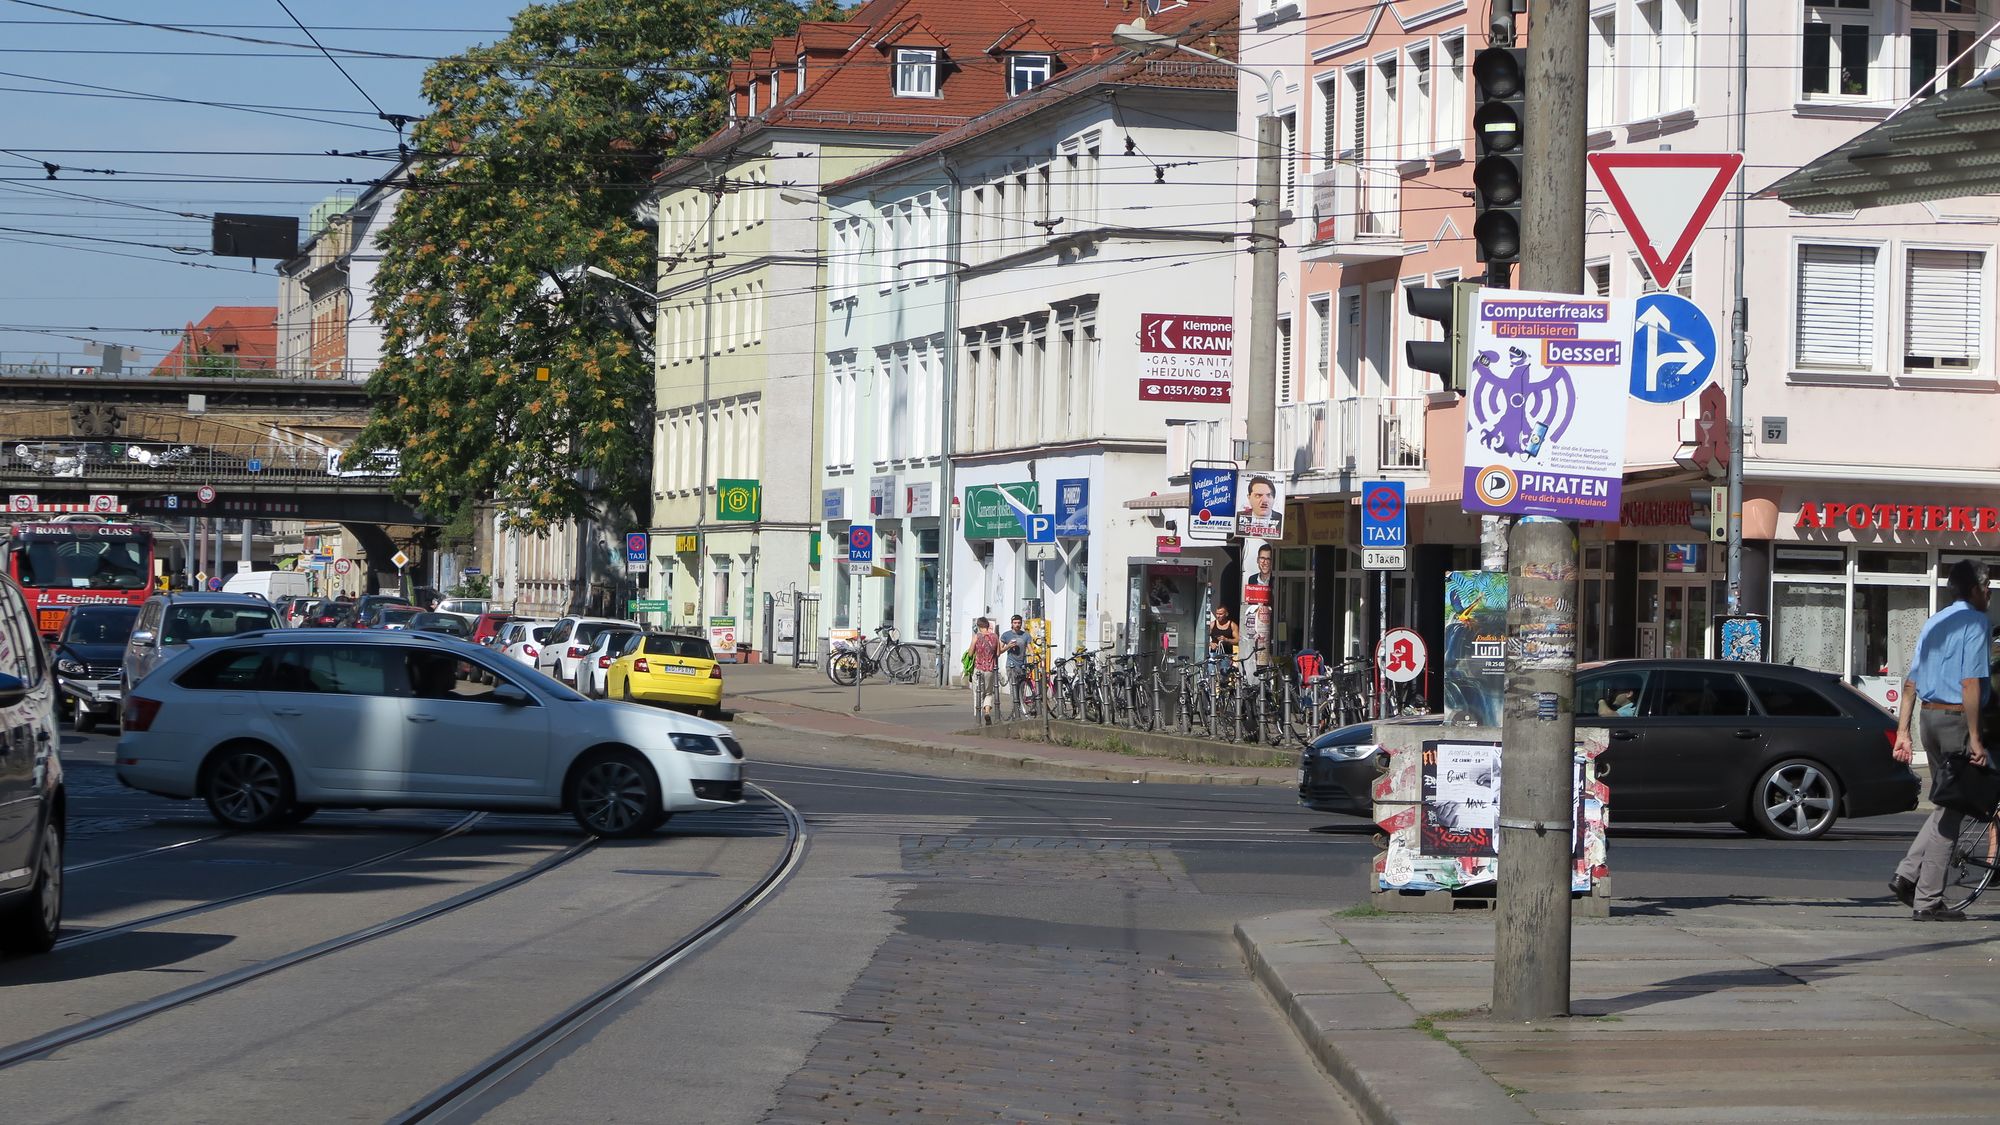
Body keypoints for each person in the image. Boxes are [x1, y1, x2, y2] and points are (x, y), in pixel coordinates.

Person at [1890, 559, 1991, 921]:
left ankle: (1907, 874)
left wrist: (1903, 732)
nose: (1990, 594)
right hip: (1954, 719)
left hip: (1928, 717)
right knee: (1954, 808)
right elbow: (1970, 683)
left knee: (1946, 801)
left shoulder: (1935, 621)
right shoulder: (1976, 623)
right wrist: (1976, 738)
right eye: (1988, 587)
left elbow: (1911, 681)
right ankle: (1928, 899)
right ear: (1978, 589)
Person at [969, 617, 1002, 725]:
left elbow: (970, 653)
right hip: (990, 669)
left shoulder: (977, 637)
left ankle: (978, 715)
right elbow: (997, 653)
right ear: (988, 625)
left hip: (978, 668)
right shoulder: (995, 637)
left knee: (977, 692)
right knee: (988, 693)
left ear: (979, 626)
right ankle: (987, 711)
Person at [999, 614, 1031, 715]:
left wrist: (1034, 657)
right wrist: (1008, 646)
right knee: (1013, 688)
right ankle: (1015, 711)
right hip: (1011, 665)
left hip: (1022, 665)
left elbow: (1030, 649)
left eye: (1019, 623)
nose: (1017, 625)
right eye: (1015, 623)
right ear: (1012, 624)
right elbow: (999, 651)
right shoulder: (1006, 635)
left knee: (1021, 688)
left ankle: (1020, 708)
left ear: (1021, 623)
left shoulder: (1026, 635)